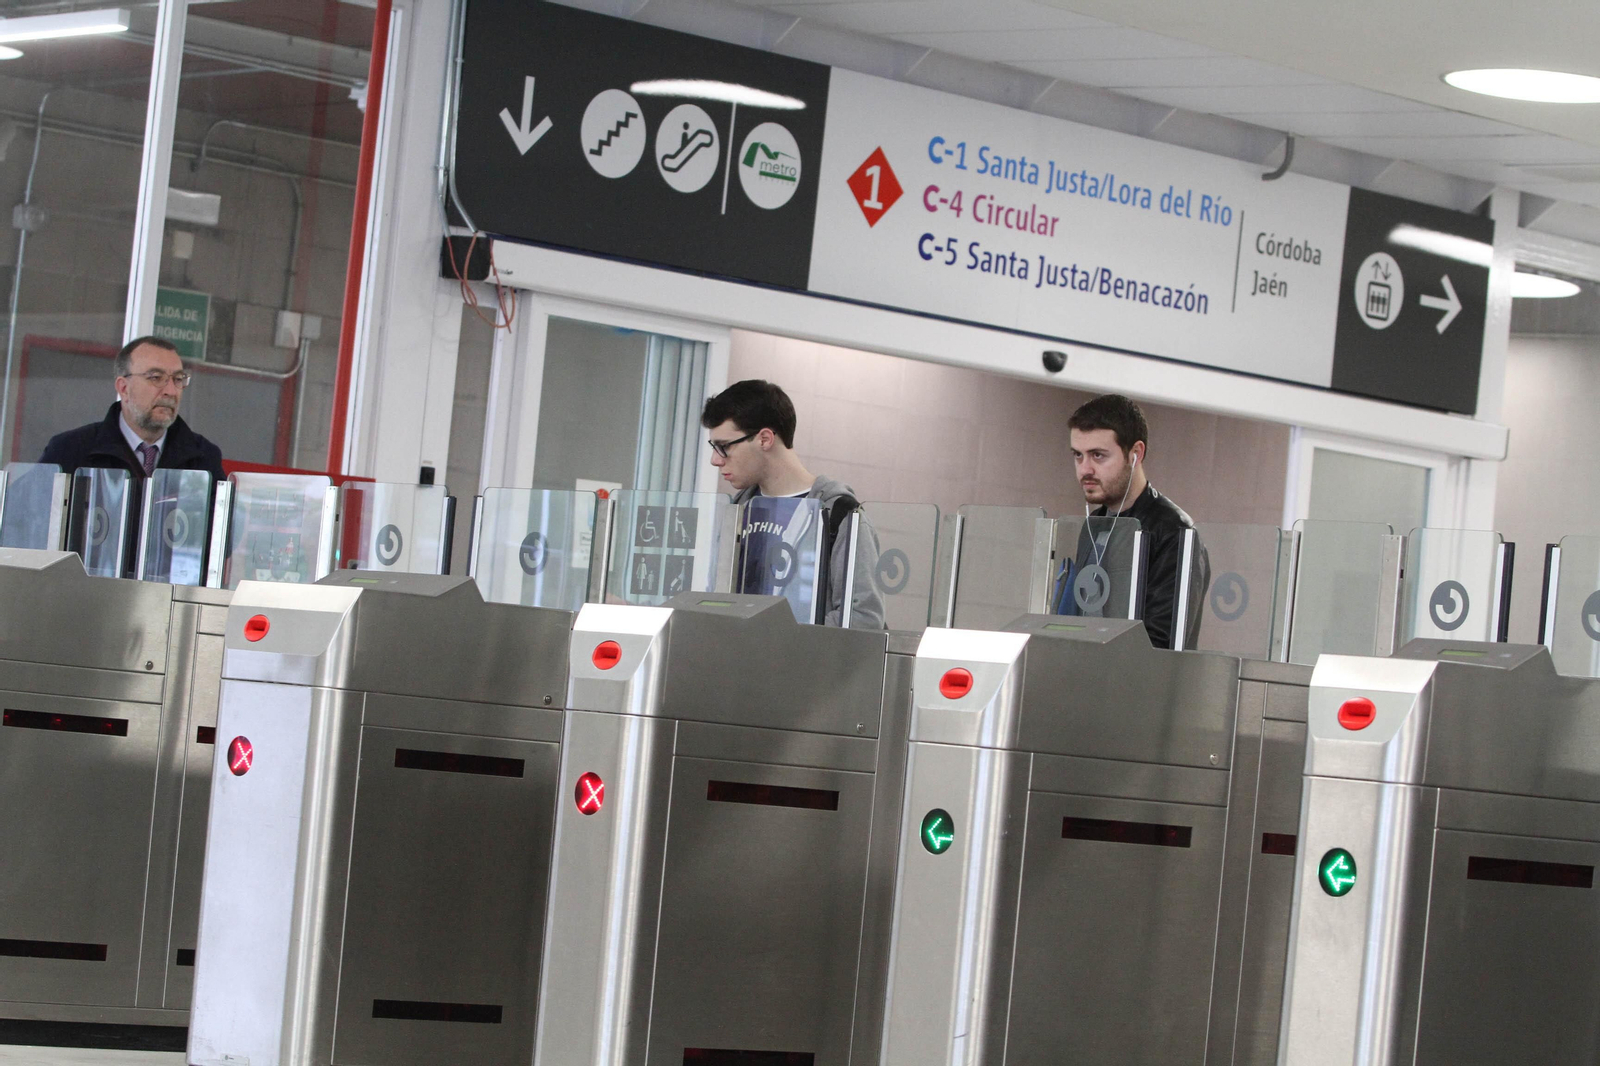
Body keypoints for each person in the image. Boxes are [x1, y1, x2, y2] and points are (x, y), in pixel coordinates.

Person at [702, 379, 885, 629]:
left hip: (802, 665)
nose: (715, 460)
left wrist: (777, 638)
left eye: (723, 447)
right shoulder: (738, 512)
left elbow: (864, 618)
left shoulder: (840, 515)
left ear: (765, 439)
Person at [1064, 393, 1207, 650]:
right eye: (1078, 455)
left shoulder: (1174, 531)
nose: (1085, 469)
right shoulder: (1093, 525)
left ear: (1135, 454)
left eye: (1098, 455)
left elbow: (1162, 642)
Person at [40, 335, 225, 485]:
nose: (170, 391)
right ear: (123, 388)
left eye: (178, 379)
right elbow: (25, 520)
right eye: (156, 377)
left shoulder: (203, 459)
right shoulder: (70, 452)